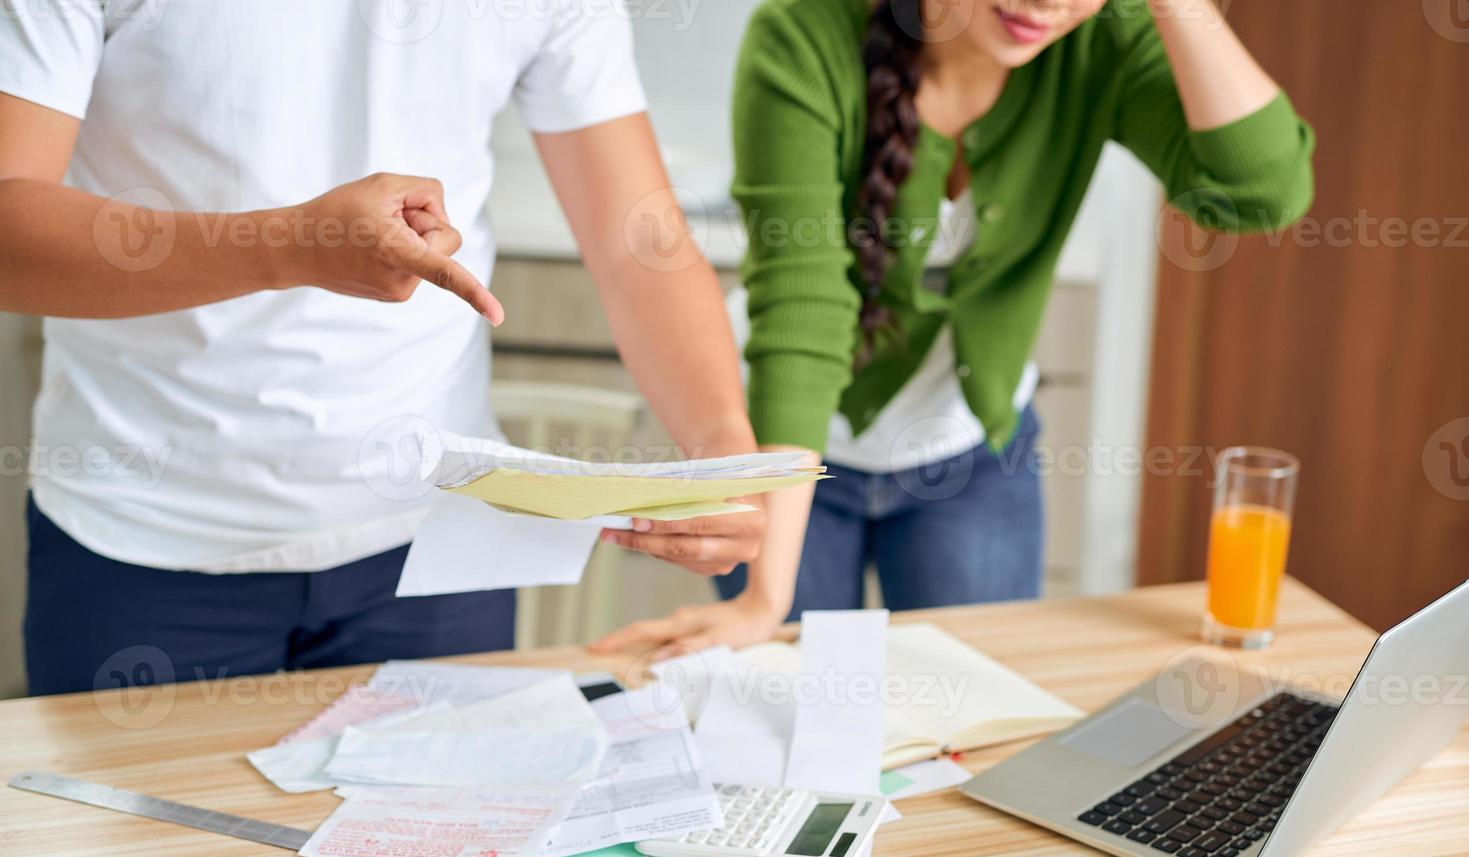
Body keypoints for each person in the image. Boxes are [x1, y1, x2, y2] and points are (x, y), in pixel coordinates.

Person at [0, 1, 778, 695]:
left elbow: (640, 245)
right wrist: (289, 246)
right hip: (142, 544)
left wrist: (723, 460)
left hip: (436, 548)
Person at [593, 0, 1314, 656]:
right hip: (789, 451)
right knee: (791, 717)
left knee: (962, 732)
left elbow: (1260, 194)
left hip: (967, 456)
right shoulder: (803, 32)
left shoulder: (1103, 38)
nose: (1048, 4)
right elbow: (804, 305)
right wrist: (764, 598)